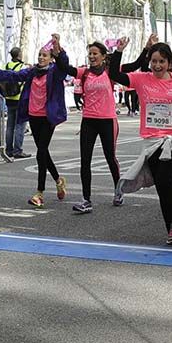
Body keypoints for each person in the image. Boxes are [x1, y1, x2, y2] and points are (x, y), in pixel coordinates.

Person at [110, 37, 172, 244]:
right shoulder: (142, 79)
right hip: (151, 139)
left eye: (162, 61)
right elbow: (114, 75)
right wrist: (119, 51)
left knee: (164, 179)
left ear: (169, 63)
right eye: (154, 61)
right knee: (162, 186)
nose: (157, 65)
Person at [0, 36, 71, 208]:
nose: (40, 58)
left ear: (51, 58)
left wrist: (58, 48)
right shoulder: (32, 72)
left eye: (45, 55)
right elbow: (11, 76)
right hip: (33, 116)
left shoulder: (56, 72)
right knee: (43, 152)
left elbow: (64, 63)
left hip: (48, 118)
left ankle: (39, 193)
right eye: (39, 55)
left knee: (41, 153)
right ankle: (58, 180)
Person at [56, 42, 122, 214]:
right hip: (88, 121)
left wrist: (120, 50)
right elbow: (65, 67)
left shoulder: (110, 72)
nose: (91, 57)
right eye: (90, 54)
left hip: (108, 120)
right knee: (85, 160)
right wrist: (58, 51)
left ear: (103, 56)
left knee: (110, 157)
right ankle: (86, 200)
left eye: (95, 54)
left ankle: (118, 190)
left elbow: (121, 63)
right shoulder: (84, 73)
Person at [0, 47, 29, 159]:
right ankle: (18, 150)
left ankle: (9, 149)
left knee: (10, 126)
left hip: (8, 98)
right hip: (19, 98)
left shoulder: (6, 66)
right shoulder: (22, 67)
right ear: (19, 55)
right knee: (20, 126)